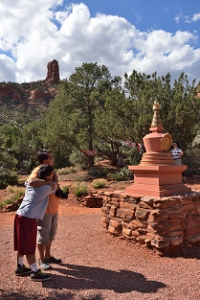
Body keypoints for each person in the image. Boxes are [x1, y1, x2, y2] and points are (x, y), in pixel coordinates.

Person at [14, 164, 56, 281]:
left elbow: (30, 181)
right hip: (28, 218)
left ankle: (20, 266)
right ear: (48, 176)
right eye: (52, 173)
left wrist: (45, 180)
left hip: (20, 215)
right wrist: (50, 181)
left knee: (22, 243)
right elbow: (55, 186)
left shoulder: (31, 185)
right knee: (28, 245)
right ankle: (35, 271)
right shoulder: (47, 188)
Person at [28, 149, 61, 271]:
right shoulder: (38, 170)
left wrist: (54, 177)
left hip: (54, 209)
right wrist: (47, 181)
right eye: (51, 157)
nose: (53, 159)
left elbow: (54, 185)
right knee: (43, 235)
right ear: (46, 160)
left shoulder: (51, 171)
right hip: (44, 211)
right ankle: (41, 260)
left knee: (50, 235)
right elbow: (31, 182)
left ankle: (48, 256)